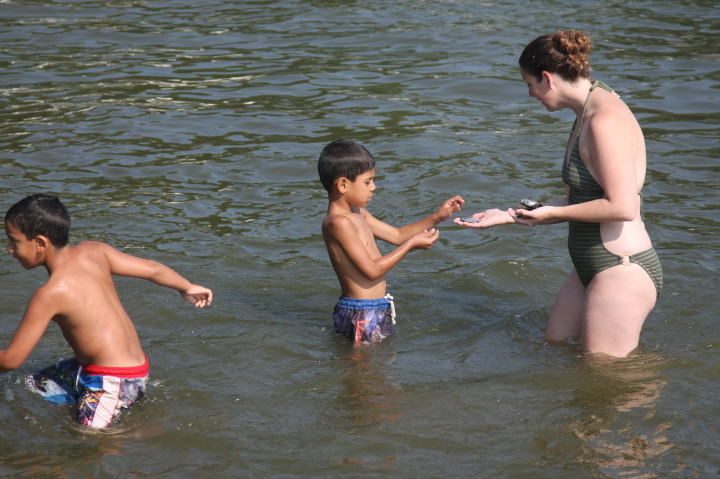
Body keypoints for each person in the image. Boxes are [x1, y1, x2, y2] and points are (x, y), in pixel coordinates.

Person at [455, 30, 662, 358]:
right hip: (589, 268)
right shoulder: (586, 111)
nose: (530, 94)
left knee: (605, 382)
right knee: (554, 349)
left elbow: (623, 206)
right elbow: (578, 200)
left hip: (621, 270)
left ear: (547, 79)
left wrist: (550, 214)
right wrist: (510, 215)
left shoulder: (603, 120)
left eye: (529, 84)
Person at [0, 194, 213, 428]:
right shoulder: (95, 251)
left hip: (112, 379)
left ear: (40, 243)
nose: (10, 249)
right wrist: (187, 286)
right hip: (125, 367)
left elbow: (11, 359)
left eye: (14, 241)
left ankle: (129, 440)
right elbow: (153, 269)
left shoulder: (50, 294)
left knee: (90, 439)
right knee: (36, 382)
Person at [318, 139, 464, 344]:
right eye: (367, 182)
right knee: (365, 373)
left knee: (376, 371)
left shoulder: (357, 212)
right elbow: (372, 270)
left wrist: (437, 217)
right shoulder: (338, 223)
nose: (374, 187)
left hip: (376, 306)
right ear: (343, 184)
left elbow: (396, 235)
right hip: (361, 313)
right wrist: (411, 245)